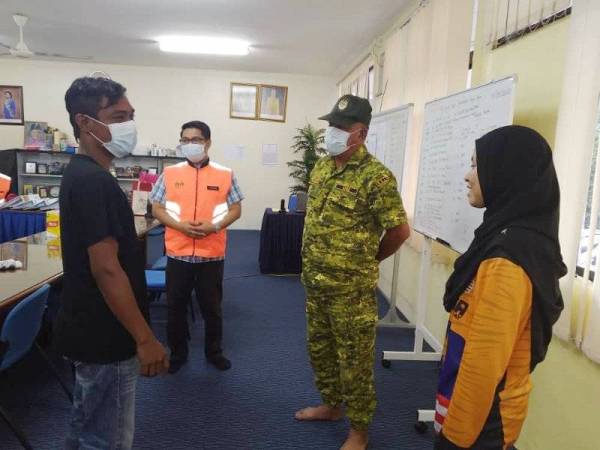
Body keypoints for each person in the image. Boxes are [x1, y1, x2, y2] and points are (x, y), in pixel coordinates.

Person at [434, 125, 567, 449]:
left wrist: (454, 440)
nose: (468, 175)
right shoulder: (503, 238)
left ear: (507, 173)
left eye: (477, 165)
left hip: (481, 422)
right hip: (474, 408)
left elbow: (483, 366)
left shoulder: (507, 260)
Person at [56, 76, 168, 449]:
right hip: (107, 333)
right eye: (118, 116)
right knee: (107, 437)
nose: (128, 126)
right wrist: (145, 337)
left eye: (131, 116)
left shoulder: (85, 172)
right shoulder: (92, 181)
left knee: (88, 424)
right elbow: (106, 268)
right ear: (85, 122)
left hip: (90, 325)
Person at [296, 94, 411, 450]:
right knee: (321, 349)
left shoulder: (376, 177)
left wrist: (367, 261)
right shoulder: (322, 167)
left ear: (359, 134)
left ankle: (359, 431)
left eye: (340, 127)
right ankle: (332, 406)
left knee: (354, 361)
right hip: (316, 284)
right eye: (330, 125)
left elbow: (399, 231)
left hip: (351, 291)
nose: (331, 132)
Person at [150, 120, 243, 374]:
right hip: (178, 254)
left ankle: (214, 352)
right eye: (185, 140)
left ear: (208, 142)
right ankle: (178, 353)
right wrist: (179, 225)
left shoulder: (225, 174)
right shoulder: (170, 173)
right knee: (175, 308)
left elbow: (236, 209)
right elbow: (156, 207)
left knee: (212, 309)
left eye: (196, 140)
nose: (190, 144)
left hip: (210, 255)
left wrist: (214, 226)